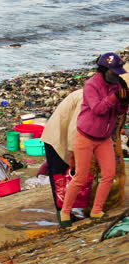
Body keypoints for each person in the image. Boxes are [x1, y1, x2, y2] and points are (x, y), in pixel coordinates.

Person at [60, 53, 127, 227]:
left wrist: (124, 101)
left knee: (109, 174)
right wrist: (115, 97)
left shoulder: (118, 84)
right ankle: (65, 212)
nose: (116, 76)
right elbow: (98, 109)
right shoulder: (92, 85)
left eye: (118, 73)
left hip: (104, 138)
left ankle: (97, 210)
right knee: (81, 178)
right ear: (104, 70)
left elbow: (118, 111)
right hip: (85, 137)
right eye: (113, 72)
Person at [40, 89, 83, 215]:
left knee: (63, 174)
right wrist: (73, 154)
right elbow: (75, 129)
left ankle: (67, 210)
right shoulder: (87, 97)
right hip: (58, 138)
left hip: (62, 136)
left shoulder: (93, 95)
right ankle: (63, 215)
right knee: (59, 178)